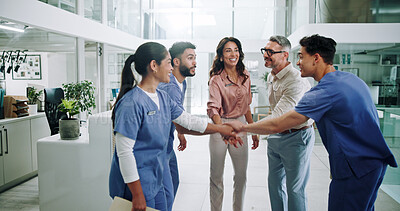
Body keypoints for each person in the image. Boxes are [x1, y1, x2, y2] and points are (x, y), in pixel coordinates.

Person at [226, 34, 398, 211]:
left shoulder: (323, 93)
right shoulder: (352, 80)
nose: (298, 62)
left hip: (355, 169)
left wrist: (244, 127)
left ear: (316, 58)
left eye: (301, 56)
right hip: (375, 163)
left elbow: (279, 123)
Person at [109, 42, 241, 211]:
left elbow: (188, 120)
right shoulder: (130, 104)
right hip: (137, 182)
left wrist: (222, 128)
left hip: (156, 176)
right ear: (154, 66)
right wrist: (137, 194)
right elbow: (124, 152)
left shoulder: (163, 97)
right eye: (169, 62)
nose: (172, 68)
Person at [261, 35, 315, 211]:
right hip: (276, 137)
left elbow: (277, 118)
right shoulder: (272, 76)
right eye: (265, 50)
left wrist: (244, 129)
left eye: (271, 52)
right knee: (274, 185)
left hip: (296, 137)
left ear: (285, 55)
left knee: (295, 189)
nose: (266, 55)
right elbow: (275, 110)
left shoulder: (295, 80)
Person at [207, 37, 259, 211]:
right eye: (228, 50)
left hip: (241, 126)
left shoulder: (246, 76)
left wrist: (253, 130)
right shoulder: (216, 80)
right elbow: (213, 109)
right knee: (216, 176)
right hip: (219, 126)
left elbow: (246, 106)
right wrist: (222, 129)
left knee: (241, 176)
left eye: (236, 49)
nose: (233, 53)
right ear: (221, 56)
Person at [157, 41, 197, 210]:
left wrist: (180, 132)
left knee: (173, 181)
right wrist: (219, 129)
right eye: (190, 58)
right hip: (158, 145)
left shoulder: (182, 82)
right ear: (176, 62)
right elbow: (182, 119)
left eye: (195, 58)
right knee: (166, 190)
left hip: (167, 141)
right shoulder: (170, 86)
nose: (195, 62)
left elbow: (176, 111)